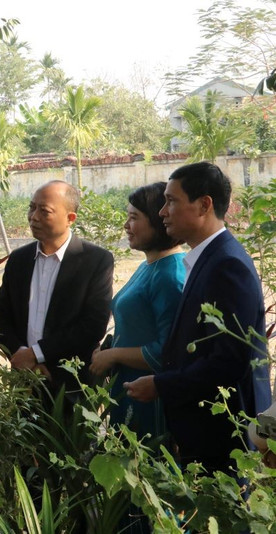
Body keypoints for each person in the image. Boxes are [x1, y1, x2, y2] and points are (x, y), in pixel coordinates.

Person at [124, 162, 272, 475]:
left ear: (204, 204)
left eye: (172, 201)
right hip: (206, 430)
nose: (163, 211)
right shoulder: (207, 258)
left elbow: (230, 361)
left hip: (224, 433)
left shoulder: (226, 265)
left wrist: (161, 385)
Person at [89, 183, 185, 534]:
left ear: (159, 222)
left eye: (134, 218)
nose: (127, 226)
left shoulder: (170, 275)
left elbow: (166, 352)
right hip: (127, 393)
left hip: (149, 403)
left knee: (149, 496)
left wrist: (113, 354)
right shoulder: (150, 266)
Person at [0, 180, 114, 396]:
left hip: (72, 386)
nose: (33, 216)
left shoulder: (95, 261)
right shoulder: (19, 259)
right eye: (31, 207)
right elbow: (1, 318)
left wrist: (37, 354)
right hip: (24, 383)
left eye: (44, 211)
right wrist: (23, 356)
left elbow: (92, 326)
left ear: (70, 218)